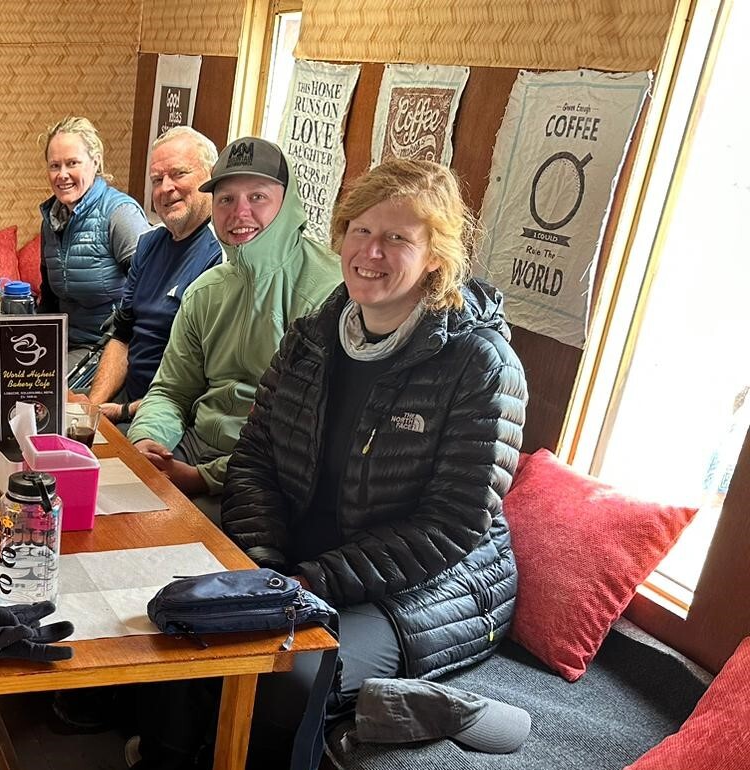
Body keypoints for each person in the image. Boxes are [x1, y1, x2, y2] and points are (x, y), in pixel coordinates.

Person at [132, 159, 527, 770]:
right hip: (300, 561)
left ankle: (419, 707)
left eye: (399, 238)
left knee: (283, 677)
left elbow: (452, 526)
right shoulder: (312, 338)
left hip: (421, 586)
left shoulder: (479, 364)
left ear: (436, 256)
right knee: (181, 638)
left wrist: (310, 582)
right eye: (362, 231)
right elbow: (257, 460)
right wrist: (263, 565)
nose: (372, 251)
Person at [126, 137, 338, 511]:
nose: (239, 213)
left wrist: (202, 478)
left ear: (287, 203)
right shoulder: (205, 292)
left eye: (257, 197)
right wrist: (147, 441)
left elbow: (303, 436)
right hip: (191, 447)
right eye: (226, 199)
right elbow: (172, 391)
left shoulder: (329, 295)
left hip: (265, 477)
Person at [87, 127, 223, 422]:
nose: (166, 188)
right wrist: (91, 409)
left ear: (211, 177)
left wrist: (125, 411)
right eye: (157, 180)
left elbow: (204, 380)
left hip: (168, 417)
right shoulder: (148, 244)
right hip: (123, 401)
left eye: (179, 174)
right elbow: (122, 336)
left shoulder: (220, 256)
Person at [37, 116, 151, 353]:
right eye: (54, 165)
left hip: (109, 349)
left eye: (73, 163)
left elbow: (148, 294)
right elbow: (48, 297)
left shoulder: (120, 215)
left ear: (96, 162)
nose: (62, 174)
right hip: (63, 344)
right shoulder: (51, 219)